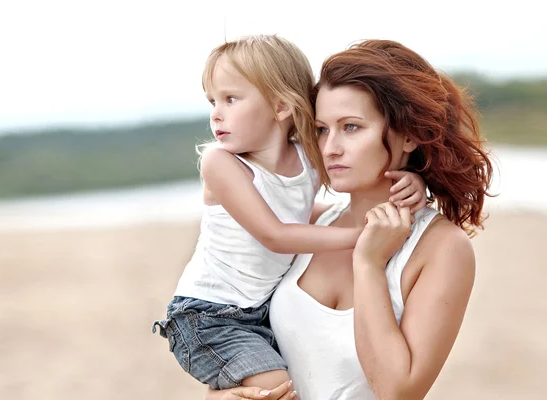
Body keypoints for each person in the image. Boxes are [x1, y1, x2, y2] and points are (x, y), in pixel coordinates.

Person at [207, 39, 493, 400]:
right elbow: (233, 347)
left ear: (409, 135)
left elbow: (397, 390)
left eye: (352, 127)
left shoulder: (443, 248)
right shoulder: (309, 225)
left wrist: (370, 263)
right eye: (322, 129)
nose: (330, 148)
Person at [152, 35, 428, 392]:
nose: (216, 113)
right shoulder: (221, 163)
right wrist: (362, 236)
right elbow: (276, 234)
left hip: (257, 311)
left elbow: (337, 189)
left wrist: (408, 180)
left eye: (231, 99)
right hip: (209, 315)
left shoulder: (306, 156)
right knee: (276, 386)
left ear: (281, 106)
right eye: (212, 101)